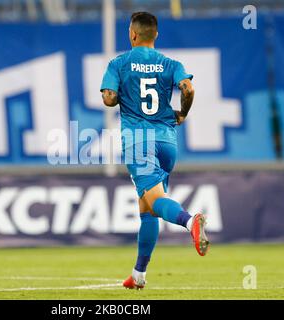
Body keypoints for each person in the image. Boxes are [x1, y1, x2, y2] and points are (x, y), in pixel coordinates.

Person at [100, 11, 209, 290]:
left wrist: (117, 96)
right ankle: (138, 275)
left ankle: (189, 222)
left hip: (139, 142)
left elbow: (109, 98)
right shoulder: (170, 64)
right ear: (155, 35)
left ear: (132, 34)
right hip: (167, 143)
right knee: (147, 207)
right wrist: (182, 114)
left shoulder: (119, 63)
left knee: (155, 200)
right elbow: (188, 88)